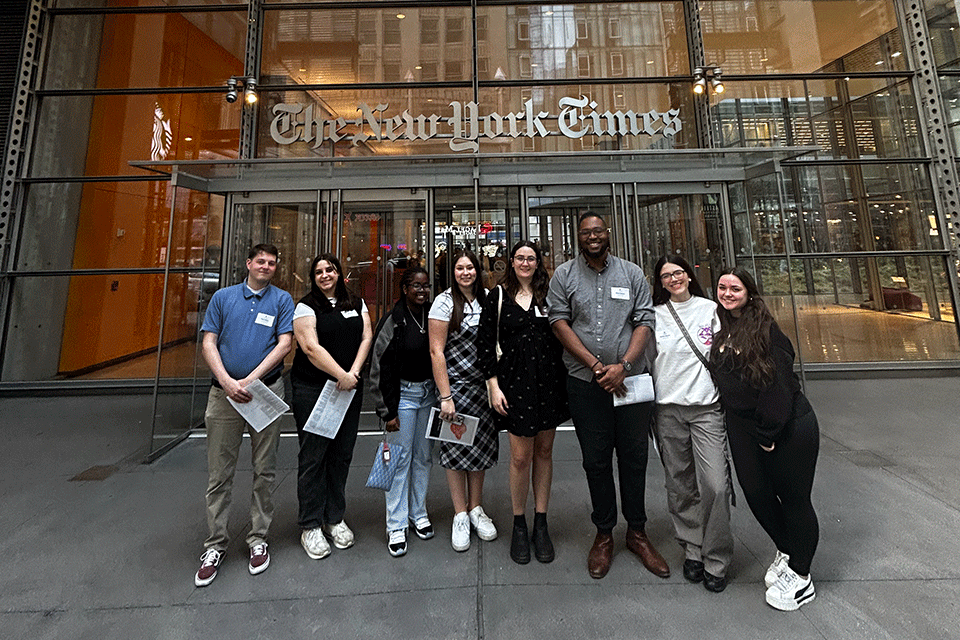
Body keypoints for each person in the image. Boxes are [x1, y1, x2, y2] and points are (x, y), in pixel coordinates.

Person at [546, 212, 669, 580]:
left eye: (598, 230)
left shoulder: (631, 273)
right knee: (596, 461)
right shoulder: (564, 275)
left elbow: (645, 320)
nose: (593, 237)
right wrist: (598, 366)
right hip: (586, 384)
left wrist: (624, 367)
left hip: (630, 383)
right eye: (586, 233)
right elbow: (558, 321)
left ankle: (637, 532)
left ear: (607, 234)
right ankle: (603, 534)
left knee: (634, 457)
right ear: (578, 238)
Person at [710, 266, 820, 611]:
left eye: (735, 289)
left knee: (794, 499)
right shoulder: (725, 326)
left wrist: (770, 430)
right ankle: (788, 550)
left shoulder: (767, 331)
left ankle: (801, 575)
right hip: (742, 428)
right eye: (723, 287)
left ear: (750, 293)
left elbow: (781, 383)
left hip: (786, 426)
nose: (728, 293)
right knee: (756, 494)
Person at [194, 244, 294, 587]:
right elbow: (209, 341)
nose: (266, 266)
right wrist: (227, 381)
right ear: (248, 263)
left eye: (272, 263)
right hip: (223, 396)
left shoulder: (282, 300)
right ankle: (215, 543)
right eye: (261, 261)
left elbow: (284, 344)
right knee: (219, 473)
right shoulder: (223, 297)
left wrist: (249, 381)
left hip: (264, 392)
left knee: (264, 469)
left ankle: (258, 538)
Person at [477, 241, 569, 564]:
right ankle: (519, 522)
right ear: (511, 262)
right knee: (520, 457)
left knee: (544, 452)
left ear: (537, 262)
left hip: (550, 385)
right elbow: (485, 344)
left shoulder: (550, 295)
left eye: (531, 258)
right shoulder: (498, 296)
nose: (526, 263)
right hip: (514, 387)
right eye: (520, 258)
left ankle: (540, 523)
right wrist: (493, 385)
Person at [651, 255, 733, 592]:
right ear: (659, 282)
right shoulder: (653, 316)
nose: (674, 279)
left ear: (689, 274)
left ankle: (718, 557)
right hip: (667, 409)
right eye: (666, 276)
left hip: (705, 409)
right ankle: (694, 549)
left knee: (716, 483)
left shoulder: (711, 310)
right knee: (680, 483)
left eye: (678, 273)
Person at [292, 253, 373, 560]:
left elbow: (367, 336)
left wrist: (352, 374)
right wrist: (341, 375)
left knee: (341, 454)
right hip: (315, 389)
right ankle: (310, 524)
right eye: (318, 272)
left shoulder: (355, 302)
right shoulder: (306, 306)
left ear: (340, 273)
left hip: (349, 388)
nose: (325, 275)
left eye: (330, 270)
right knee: (314, 456)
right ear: (313, 278)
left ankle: (334, 518)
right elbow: (310, 347)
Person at [428, 249, 499, 552]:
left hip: (484, 388)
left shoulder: (489, 298)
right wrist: (446, 397)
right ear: (452, 272)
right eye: (459, 268)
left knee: (480, 449)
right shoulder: (443, 302)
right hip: (455, 390)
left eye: (470, 267)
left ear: (478, 270)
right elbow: (436, 352)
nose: (466, 273)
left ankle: (476, 508)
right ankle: (460, 513)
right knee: (456, 451)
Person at [370, 266, 437, 557]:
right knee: (398, 461)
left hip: (429, 396)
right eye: (416, 286)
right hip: (404, 398)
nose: (422, 291)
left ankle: (418, 513)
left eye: (425, 286)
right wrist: (387, 410)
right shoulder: (393, 320)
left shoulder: (433, 314)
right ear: (404, 289)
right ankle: (396, 524)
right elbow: (378, 366)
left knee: (423, 457)